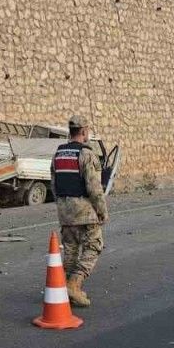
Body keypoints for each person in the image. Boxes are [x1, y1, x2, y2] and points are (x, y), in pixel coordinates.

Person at [50, 115, 108, 307]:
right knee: (94, 246)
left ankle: (63, 289)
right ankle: (74, 284)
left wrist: (63, 205)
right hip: (84, 211)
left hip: (64, 211)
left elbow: (54, 185)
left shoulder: (58, 154)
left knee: (71, 250)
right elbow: (94, 187)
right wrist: (102, 210)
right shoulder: (86, 154)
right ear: (84, 131)